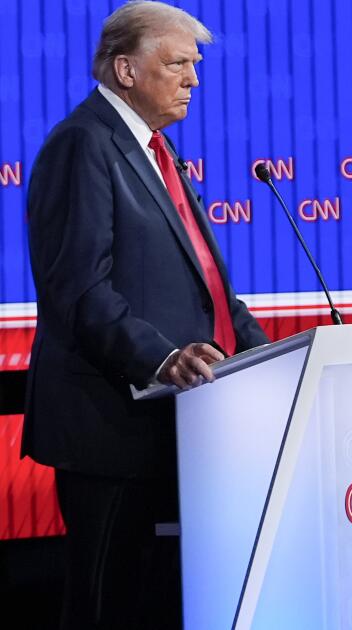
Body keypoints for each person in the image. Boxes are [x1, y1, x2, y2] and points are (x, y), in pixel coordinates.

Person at [21, 2, 269, 627]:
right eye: (178, 63)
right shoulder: (82, 144)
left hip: (180, 422)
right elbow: (78, 289)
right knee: (108, 606)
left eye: (195, 65)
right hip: (110, 429)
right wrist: (161, 358)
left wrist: (265, 356)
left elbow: (208, 287)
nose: (193, 79)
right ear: (126, 70)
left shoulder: (157, 149)